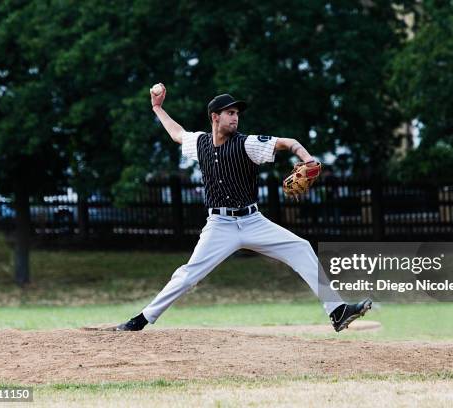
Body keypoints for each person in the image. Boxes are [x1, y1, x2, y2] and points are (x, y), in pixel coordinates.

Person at [114, 83, 372, 332]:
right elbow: (177, 134)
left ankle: (337, 311)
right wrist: (157, 108)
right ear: (215, 117)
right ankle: (141, 319)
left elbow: (289, 142)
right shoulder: (200, 143)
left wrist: (308, 159)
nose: (235, 117)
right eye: (230, 113)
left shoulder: (247, 143)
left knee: (301, 248)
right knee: (189, 274)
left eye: (236, 113)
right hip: (219, 226)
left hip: (253, 221)